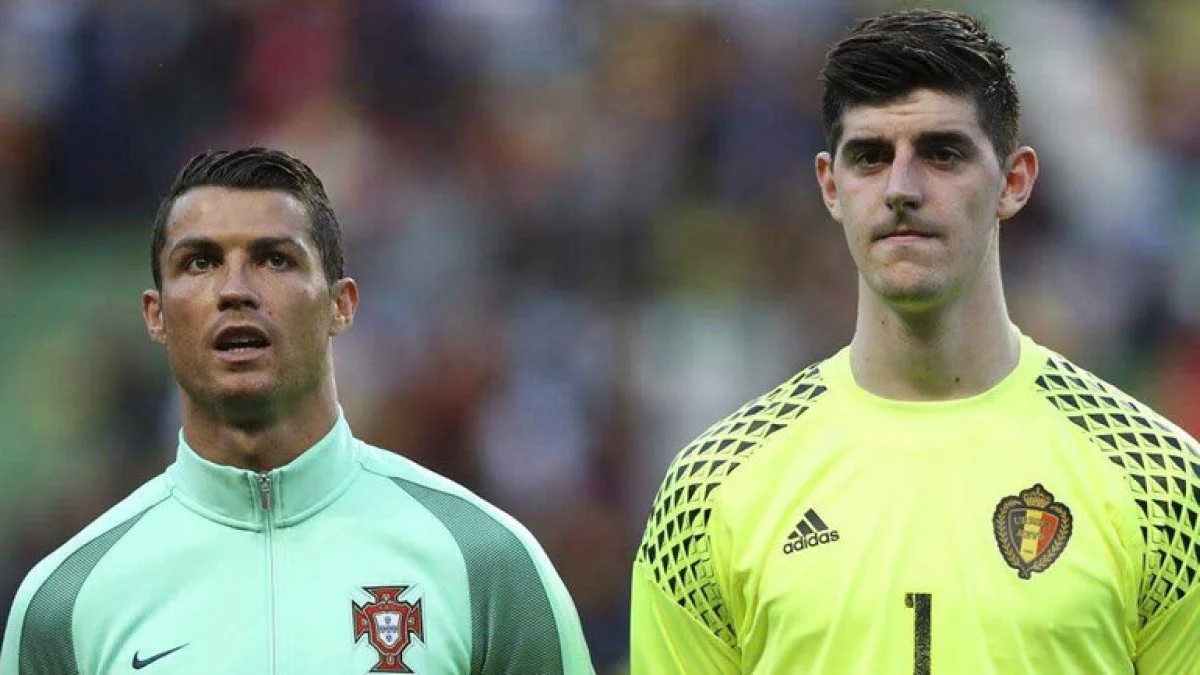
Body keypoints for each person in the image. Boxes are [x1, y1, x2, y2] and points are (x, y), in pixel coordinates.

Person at [630, 9, 1200, 674]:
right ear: (830, 185)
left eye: (942, 153)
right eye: (870, 157)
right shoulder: (712, 489)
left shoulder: (1161, 481)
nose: (901, 188)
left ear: (1014, 181)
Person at [0, 148, 595, 674]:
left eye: (274, 259)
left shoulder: (486, 562)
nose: (235, 290)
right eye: (200, 262)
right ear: (156, 316)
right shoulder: (67, 603)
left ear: (341, 305)